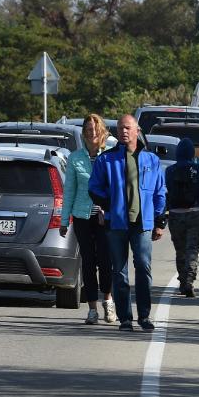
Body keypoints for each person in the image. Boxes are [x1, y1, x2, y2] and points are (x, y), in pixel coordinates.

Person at [88, 114, 167, 332]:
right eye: (121, 128)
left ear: (137, 130)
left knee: (143, 267)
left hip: (142, 224)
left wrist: (160, 220)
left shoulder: (151, 160)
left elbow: (160, 191)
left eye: (128, 128)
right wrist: (110, 204)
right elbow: (94, 187)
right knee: (119, 272)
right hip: (117, 224)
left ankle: (144, 316)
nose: (124, 131)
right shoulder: (106, 160)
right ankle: (125, 318)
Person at [60, 114, 115, 324]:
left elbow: (114, 188)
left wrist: (109, 211)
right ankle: (92, 309)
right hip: (82, 216)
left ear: (101, 132)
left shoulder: (109, 156)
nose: (92, 133)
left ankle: (108, 301)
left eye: (95, 129)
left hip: (105, 217)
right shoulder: (75, 158)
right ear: (83, 133)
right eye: (88, 130)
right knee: (88, 262)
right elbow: (69, 191)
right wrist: (64, 221)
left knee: (105, 260)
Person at [164, 137, 199, 298]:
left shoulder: (170, 170)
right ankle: (189, 280)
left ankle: (183, 280)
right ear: (192, 153)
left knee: (180, 250)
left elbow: (167, 192)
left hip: (176, 215)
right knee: (192, 250)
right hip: (196, 214)